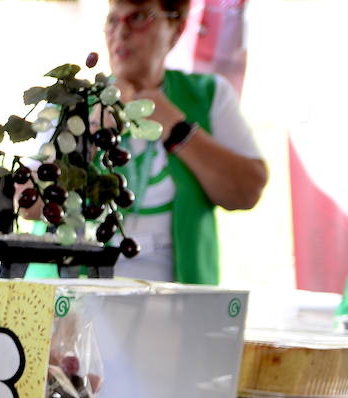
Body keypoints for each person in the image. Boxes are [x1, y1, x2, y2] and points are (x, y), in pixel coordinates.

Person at [103, 0, 267, 283]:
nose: (121, 32)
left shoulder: (209, 94)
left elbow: (247, 192)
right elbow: (28, 202)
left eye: (138, 17)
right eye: (112, 20)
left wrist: (178, 130)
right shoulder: (75, 100)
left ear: (176, 28)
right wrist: (92, 130)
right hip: (75, 306)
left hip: (181, 304)